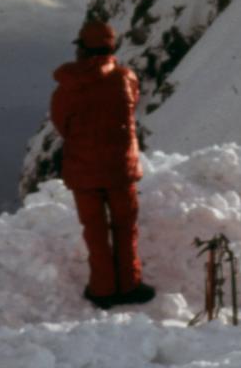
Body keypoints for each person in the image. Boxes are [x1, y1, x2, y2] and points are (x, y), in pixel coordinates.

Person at [50, 21, 155, 309]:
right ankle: (129, 283)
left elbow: (62, 124)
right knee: (125, 227)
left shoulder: (68, 86)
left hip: (83, 171)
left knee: (95, 231)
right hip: (120, 169)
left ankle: (103, 289)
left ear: (83, 49)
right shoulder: (125, 78)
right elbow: (131, 106)